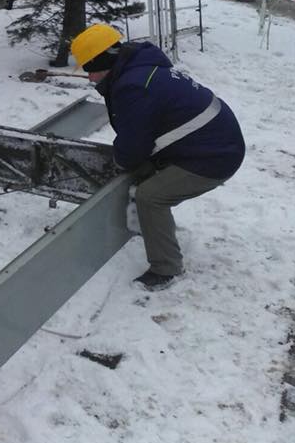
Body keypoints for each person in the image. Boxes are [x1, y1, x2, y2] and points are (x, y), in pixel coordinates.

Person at [70, 24, 245, 291]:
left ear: (102, 62)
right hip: (210, 142)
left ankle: (166, 269)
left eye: (88, 69)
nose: (90, 78)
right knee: (143, 171)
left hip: (216, 156)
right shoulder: (140, 69)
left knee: (151, 196)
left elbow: (133, 147)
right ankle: (150, 226)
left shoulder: (133, 87)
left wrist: (119, 162)